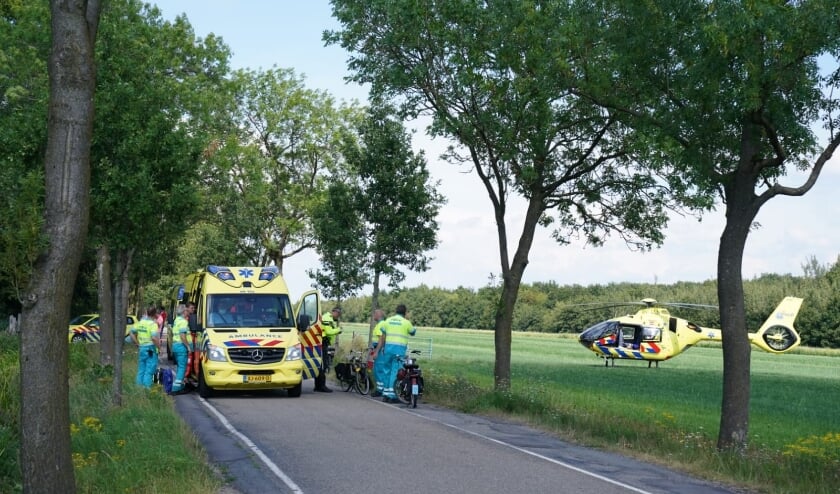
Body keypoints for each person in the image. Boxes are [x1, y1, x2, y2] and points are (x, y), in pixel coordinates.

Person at [373, 304, 416, 402]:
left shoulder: (388, 321)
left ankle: (386, 394)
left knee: (386, 371)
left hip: (388, 349)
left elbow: (383, 331)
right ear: (405, 313)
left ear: (396, 311)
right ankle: (393, 396)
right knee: (395, 372)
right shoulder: (406, 322)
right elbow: (413, 332)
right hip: (399, 351)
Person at [314, 307, 342, 392]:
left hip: (323, 342)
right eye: (338, 314)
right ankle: (321, 386)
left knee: (321, 364)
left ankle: (318, 386)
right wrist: (339, 330)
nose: (338, 316)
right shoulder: (327, 318)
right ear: (334, 312)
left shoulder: (328, 317)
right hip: (322, 342)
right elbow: (329, 332)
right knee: (323, 364)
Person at [131, 306, 160, 389]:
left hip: (142, 348)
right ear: (155, 314)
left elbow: (131, 333)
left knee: (141, 369)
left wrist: (137, 343)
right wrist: (159, 347)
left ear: (147, 313)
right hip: (150, 348)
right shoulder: (153, 325)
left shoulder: (140, 323)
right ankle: (146, 390)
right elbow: (154, 338)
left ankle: (138, 388)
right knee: (149, 370)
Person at [169, 304, 192, 394]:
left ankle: (180, 385)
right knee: (182, 367)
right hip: (181, 346)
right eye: (186, 310)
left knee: (179, 366)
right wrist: (188, 346)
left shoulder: (176, 320)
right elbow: (182, 336)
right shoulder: (183, 322)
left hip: (175, 346)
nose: (187, 312)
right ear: (183, 312)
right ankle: (176, 388)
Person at [369, 309, 387, 397]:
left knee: (379, 370)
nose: (373, 316)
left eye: (374, 314)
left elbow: (381, 339)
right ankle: (382, 389)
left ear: (378, 315)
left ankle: (380, 390)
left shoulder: (381, 324)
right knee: (380, 370)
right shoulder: (381, 324)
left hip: (380, 351)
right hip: (381, 349)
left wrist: (376, 352)